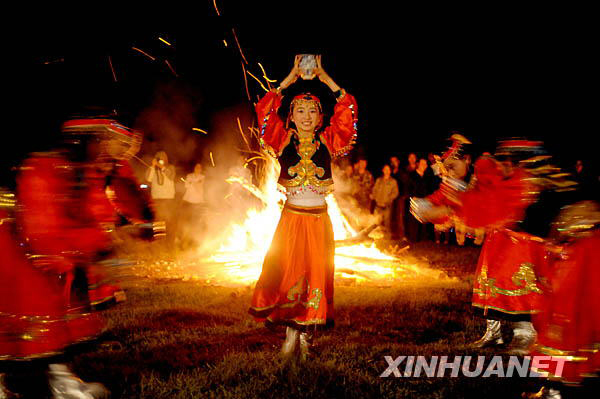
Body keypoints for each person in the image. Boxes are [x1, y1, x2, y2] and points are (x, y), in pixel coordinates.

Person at [0, 115, 156, 398]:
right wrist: (94, 248)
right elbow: (42, 230)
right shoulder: (44, 168)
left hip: (47, 260)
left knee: (54, 323)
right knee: (27, 321)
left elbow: (92, 214)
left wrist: (119, 233)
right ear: (83, 141)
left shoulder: (82, 171)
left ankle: (61, 382)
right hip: (17, 254)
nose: (106, 150)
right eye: (101, 142)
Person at [249, 55, 357, 360]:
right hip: (292, 221)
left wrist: (324, 78)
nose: (306, 116)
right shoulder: (282, 139)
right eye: (300, 110)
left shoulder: (329, 139)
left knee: (317, 276)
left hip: (319, 221)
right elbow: (264, 111)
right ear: (291, 116)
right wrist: (289, 79)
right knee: (289, 274)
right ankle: (290, 335)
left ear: (320, 117)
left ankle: (309, 335)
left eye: (312, 111)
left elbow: (347, 110)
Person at [145, 151, 175, 248]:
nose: (161, 160)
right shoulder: (153, 169)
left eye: (163, 158)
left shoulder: (170, 167)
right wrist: (153, 166)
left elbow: (171, 176)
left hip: (168, 198)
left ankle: (170, 242)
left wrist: (162, 167)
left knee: (169, 220)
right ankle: (159, 242)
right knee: (158, 221)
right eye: (159, 158)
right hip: (157, 198)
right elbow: (148, 179)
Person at [178, 163, 206, 249]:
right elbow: (186, 185)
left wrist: (192, 183)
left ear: (201, 169)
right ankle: (183, 242)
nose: (198, 169)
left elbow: (198, 185)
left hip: (198, 202)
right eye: (196, 167)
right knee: (186, 222)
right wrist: (193, 183)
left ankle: (193, 242)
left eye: (199, 168)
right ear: (194, 168)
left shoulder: (202, 177)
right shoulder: (189, 175)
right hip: (188, 201)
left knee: (196, 223)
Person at [405, 158, 433, 242]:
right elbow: (407, 188)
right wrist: (412, 196)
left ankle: (421, 239)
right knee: (413, 221)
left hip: (424, 202)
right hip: (414, 201)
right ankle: (412, 239)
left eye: (425, 164)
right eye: (422, 164)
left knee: (422, 220)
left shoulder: (427, 177)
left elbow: (429, 189)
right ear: (418, 164)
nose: (424, 166)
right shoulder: (412, 175)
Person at [371, 165, 399, 237]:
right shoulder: (378, 180)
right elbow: (374, 190)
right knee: (376, 223)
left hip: (387, 206)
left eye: (388, 170)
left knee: (387, 224)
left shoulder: (393, 181)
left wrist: (389, 199)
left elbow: (396, 193)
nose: (387, 171)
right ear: (383, 170)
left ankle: (387, 238)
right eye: (385, 169)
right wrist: (374, 197)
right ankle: (376, 238)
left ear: (390, 171)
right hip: (378, 206)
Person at [390, 156, 408, 240]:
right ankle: (394, 234)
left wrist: (404, 195)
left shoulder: (402, 172)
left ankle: (401, 235)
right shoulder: (390, 172)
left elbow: (405, 184)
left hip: (400, 197)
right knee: (392, 216)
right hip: (392, 198)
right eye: (392, 161)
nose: (393, 163)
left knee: (400, 217)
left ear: (398, 162)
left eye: (395, 161)